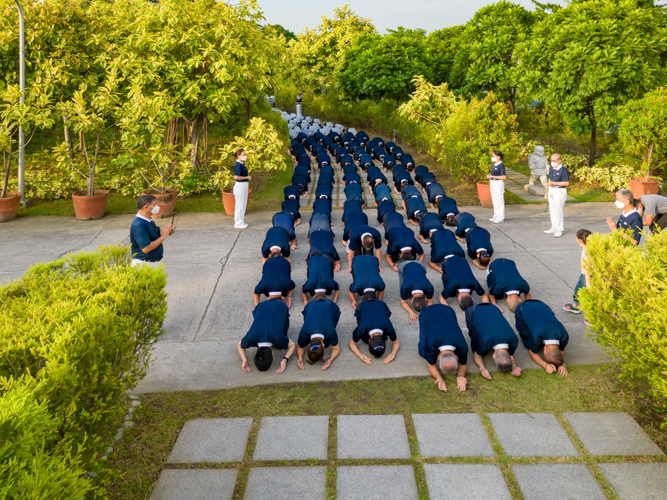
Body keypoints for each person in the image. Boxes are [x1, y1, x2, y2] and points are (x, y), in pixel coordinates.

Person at [418, 304, 468, 393]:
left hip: (448, 310)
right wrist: (439, 378)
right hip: (426, 312)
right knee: (423, 351)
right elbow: (431, 365)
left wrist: (460, 376)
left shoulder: (462, 345)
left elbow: (463, 364)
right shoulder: (431, 342)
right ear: (456, 357)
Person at [237, 297, 295, 374]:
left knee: (280, 346)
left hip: (281, 305)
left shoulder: (278, 338)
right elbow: (239, 344)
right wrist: (244, 359)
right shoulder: (251, 337)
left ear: (272, 353)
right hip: (261, 306)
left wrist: (285, 359)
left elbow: (292, 345)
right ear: (255, 352)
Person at [465, 303, 521, 379]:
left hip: (493, 307)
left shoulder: (514, 340)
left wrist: (514, 366)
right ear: (493, 356)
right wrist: (482, 368)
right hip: (474, 310)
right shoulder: (485, 341)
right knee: (477, 346)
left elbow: (509, 356)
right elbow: (477, 356)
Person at [515, 299, 569, 377]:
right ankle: (522, 320)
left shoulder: (565, 336)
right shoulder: (537, 336)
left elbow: (561, 352)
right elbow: (532, 353)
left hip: (542, 304)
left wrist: (561, 364)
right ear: (545, 351)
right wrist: (545, 365)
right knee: (528, 344)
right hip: (522, 307)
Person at [349, 297, 400, 365]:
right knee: (362, 334)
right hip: (364, 305)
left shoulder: (388, 325)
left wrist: (393, 354)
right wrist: (360, 355)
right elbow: (351, 343)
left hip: (380, 303)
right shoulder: (362, 327)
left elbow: (396, 342)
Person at [130, 194, 176, 267]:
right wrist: (162, 237)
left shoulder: (149, 219)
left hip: (153, 263)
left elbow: (152, 236)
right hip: (144, 264)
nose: (157, 207)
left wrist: (166, 232)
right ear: (146, 207)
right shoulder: (139, 225)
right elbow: (146, 248)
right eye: (155, 205)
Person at [296, 296, 341, 370]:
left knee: (329, 340)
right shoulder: (304, 331)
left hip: (330, 305)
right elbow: (301, 347)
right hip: (310, 305)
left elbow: (336, 349)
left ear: (309, 345)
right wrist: (300, 358)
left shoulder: (331, 330)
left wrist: (330, 360)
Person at [563, 229, 592, 326]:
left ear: (579, 240)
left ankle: (591, 317)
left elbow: (587, 268)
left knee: (588, 296)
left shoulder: (586, 253)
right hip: (584, 275)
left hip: (587, 276)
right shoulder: (590, 249)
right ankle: (575, 305)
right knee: (578, 289)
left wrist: (588, 283)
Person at [544, 153, 569, 238]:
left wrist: (554, 183)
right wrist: (548, 187)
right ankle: (554, 227)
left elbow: (566, 183)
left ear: (559, 161)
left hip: (560, 190)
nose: (552, 162)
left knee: (558, 210)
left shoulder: (563, 170)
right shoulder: (552, 168)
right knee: (553, 209)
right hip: (552, 190)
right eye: (551, 160)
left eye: (554, 161)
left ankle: (560, 229)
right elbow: (550, 178)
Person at [233, 149, 251, 229]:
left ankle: (241, 221)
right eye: (243, 155)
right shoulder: (238, 165)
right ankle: (238, 222)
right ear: (238, 156)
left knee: (243, 203)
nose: (245, 156)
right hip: (240, 185)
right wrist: (247, 177)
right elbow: (236, 176)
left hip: (244, 185)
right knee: (239, 204)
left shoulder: (242, 164)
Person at [488, 150, 506, 224]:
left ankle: (500, 216)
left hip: (498, 183)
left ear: (498, 157)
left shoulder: (501, 166)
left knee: (499, 200)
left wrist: (493, 176)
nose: (492, 157)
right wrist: (490, 176)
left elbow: (503, 177)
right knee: (494, 199)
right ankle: (496, 214)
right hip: (493, 182)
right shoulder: (494, 165)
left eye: (494, 156)